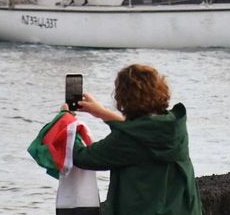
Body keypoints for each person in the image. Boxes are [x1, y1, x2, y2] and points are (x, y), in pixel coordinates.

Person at [71, 64, 202, 215]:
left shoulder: (126, 140)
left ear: (122, 97)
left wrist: (66, 121)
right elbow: (141, 130)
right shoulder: (174, 127)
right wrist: (102, 113)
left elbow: (81, 157)